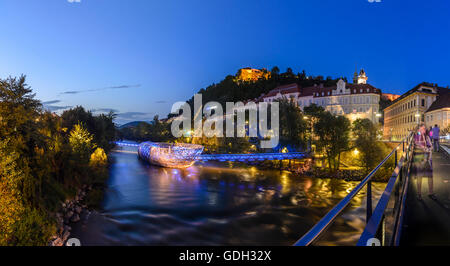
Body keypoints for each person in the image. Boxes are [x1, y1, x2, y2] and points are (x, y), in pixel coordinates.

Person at [413, 124, 436, 201]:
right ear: (419, 129)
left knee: (430, 176)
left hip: (427, 158)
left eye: (425, 129)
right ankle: (419, 194)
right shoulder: (417, 135)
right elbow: (416, 143)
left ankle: (431, 193)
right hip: (419, 158)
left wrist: (429, 148)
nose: (424, 130)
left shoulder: (426, 137)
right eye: (423, 129)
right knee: (420, 176)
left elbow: (431, 146)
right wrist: (423, 148)